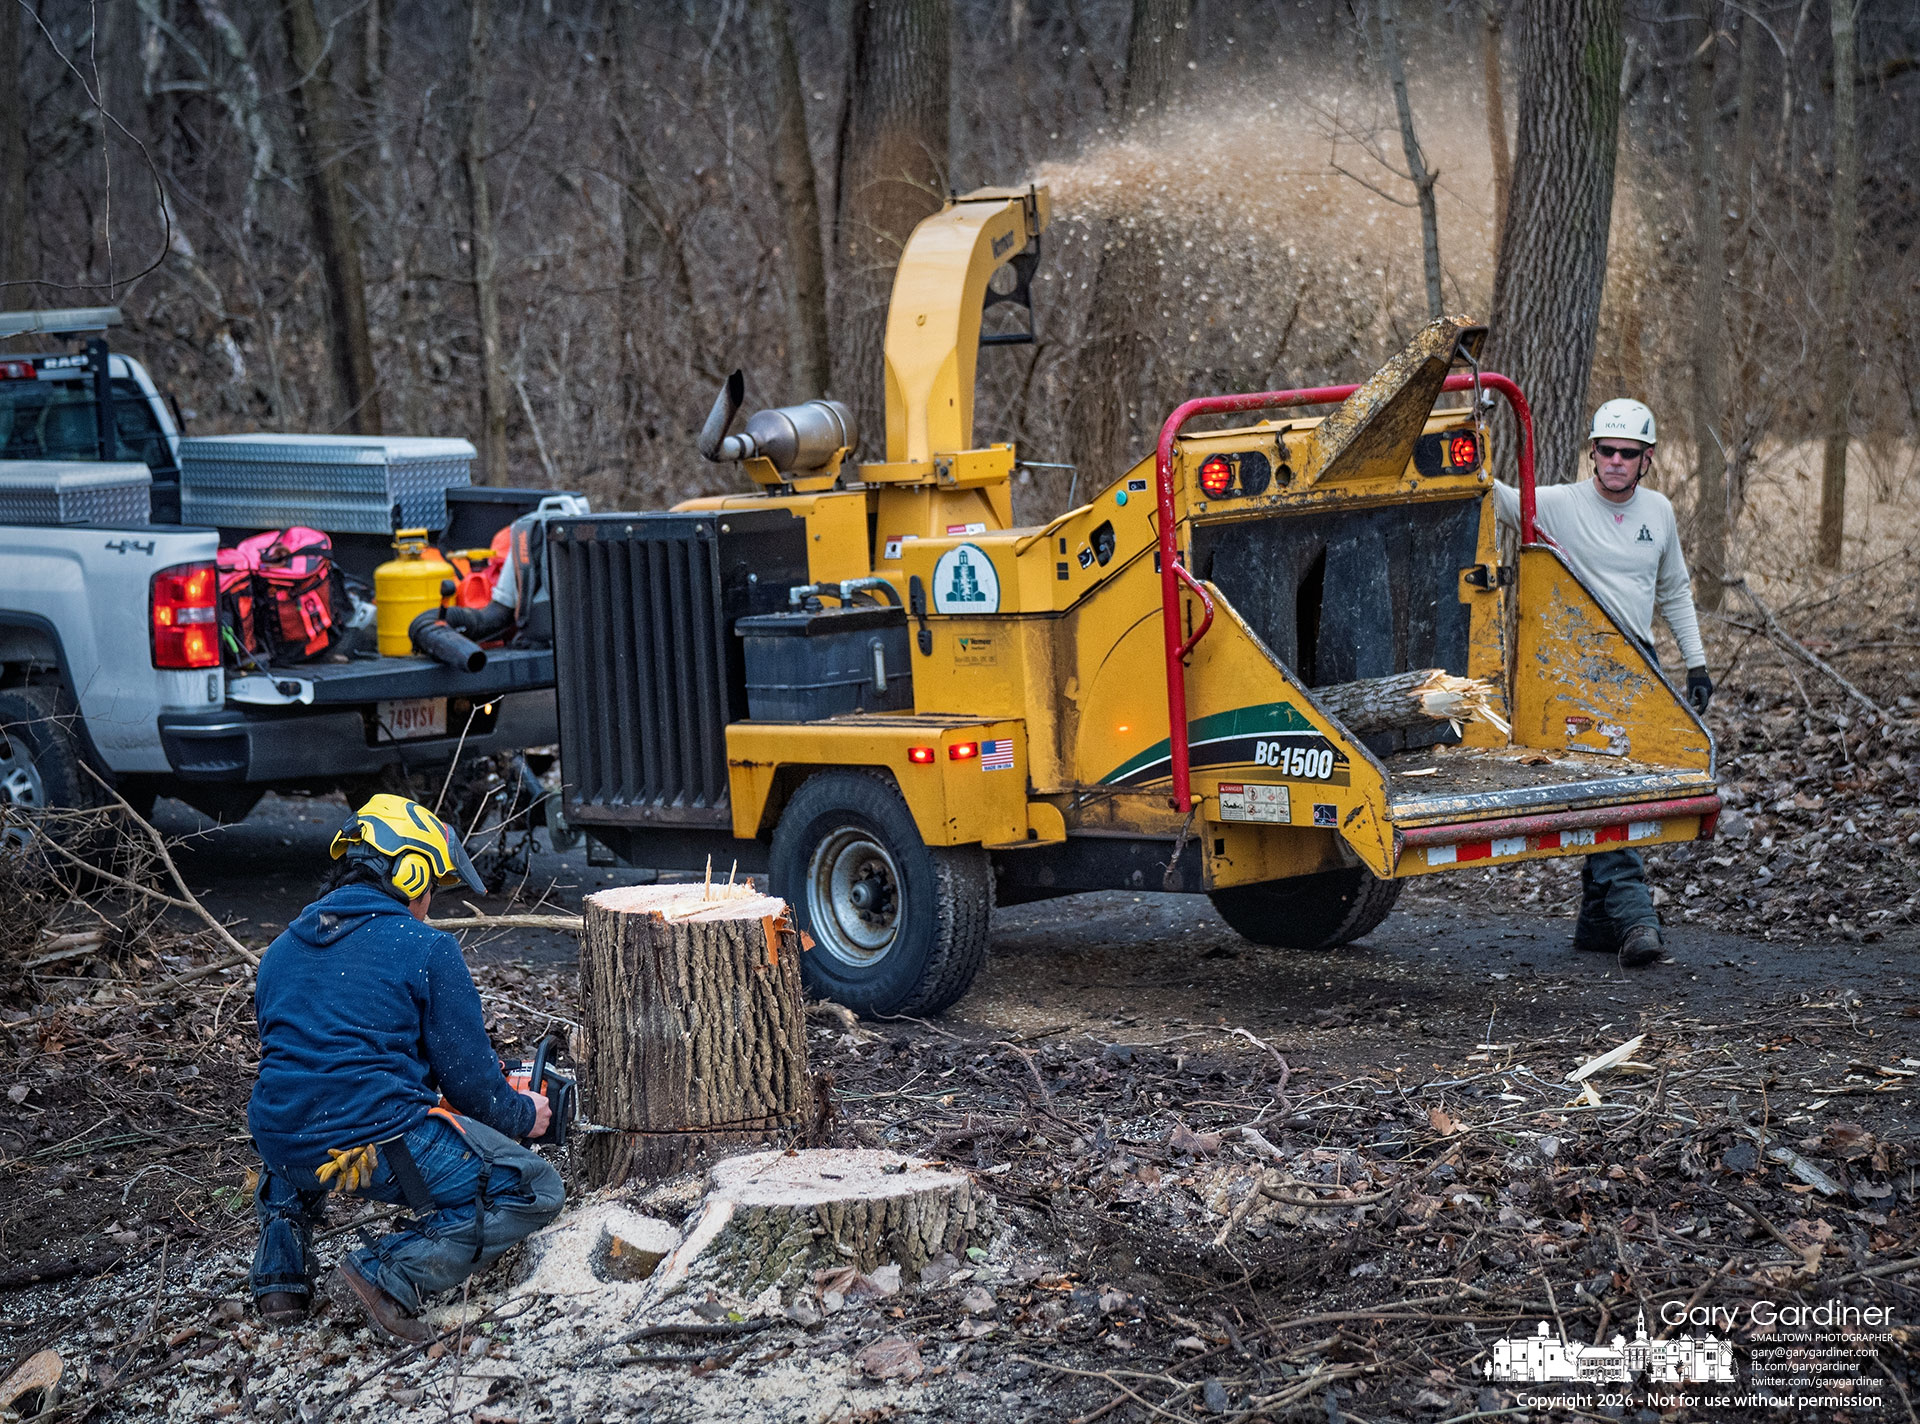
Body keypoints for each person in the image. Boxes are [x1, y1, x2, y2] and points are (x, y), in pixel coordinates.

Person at [247, 795, 564, 1341]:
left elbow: (314, 1060)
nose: (430, 902)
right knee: (535, 1190)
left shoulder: (280, 949)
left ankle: (280, 1277)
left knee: (308, 1101)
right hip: (370, 1148)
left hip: (279, 1139)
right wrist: (521, 1114)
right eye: (433, 886)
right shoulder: (427, 948)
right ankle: (387, 1273)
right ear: (411, 871)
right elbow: (471, 1091)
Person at [1492, 398, 1712, 970]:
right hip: (1579, 667)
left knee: (1617, 791)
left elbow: (1675, 591)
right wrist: (1467, 449)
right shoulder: (1561, 504)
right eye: (1607, 451)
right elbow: (1501, 501)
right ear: (1592, 452)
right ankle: (1637, 916)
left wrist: (1696, 665)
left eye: (1628, 454)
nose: (1615, 461)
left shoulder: (1658, 512)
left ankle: (1596, 923)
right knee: (1616, 794)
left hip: (1639, 665)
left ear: (1647, 460)